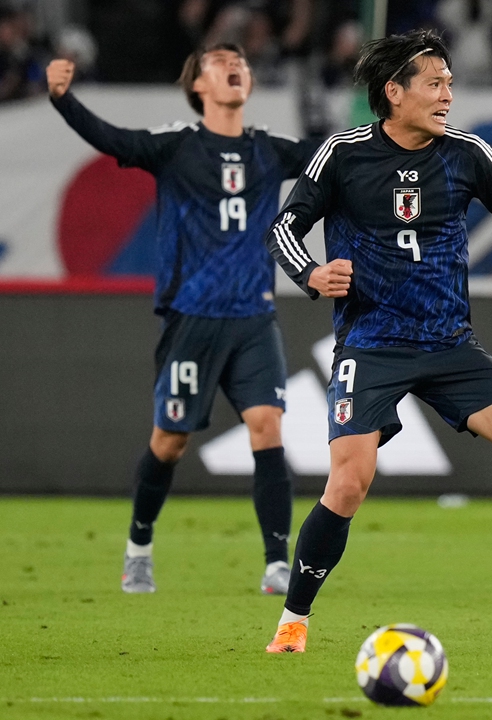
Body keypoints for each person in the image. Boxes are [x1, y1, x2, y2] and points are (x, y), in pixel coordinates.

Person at [261, 29, 492, 654]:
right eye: (434, 84)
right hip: (371, 343)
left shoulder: (467, 155)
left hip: (449, 343)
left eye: (450, 83)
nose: (447, 95)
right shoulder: (342, 156)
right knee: (348, 483)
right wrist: (313, 275)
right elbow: (284, 228)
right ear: (393, 93)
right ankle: (293, 620)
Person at [46, 44, 326, 595]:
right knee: (169, 441)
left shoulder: (270, 150)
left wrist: (385, 119)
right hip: (191, 317)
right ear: (197, 84)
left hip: (253, 317)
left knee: (267, 426)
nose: (235, 67)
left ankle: (275, 562)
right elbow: (113, 140)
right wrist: (62, 98)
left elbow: (332, 155)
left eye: (242, 62)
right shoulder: (176, 146)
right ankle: (139, 547)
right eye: (220, 62)